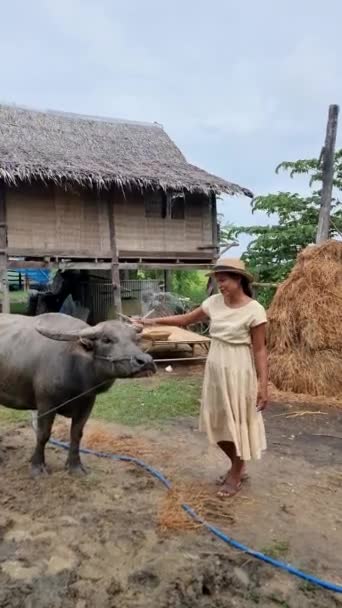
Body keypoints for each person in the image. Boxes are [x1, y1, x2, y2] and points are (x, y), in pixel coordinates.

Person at [135, 258, 268, 498]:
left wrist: (263, 385)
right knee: (216, 424)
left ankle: (236, 473)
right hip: (215, 369)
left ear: (238, 280)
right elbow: (184, 319)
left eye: (224, 280)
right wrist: (149, 321)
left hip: (239, 370)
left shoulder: (255, 310)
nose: (220, 285)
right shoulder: (213, 303)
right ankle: (238, 465)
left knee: (237, 423)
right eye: (218, 280)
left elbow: (260, 350)